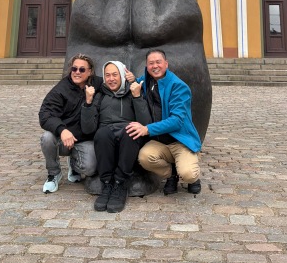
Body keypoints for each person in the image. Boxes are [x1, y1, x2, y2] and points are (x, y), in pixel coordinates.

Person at [126, 49, 202, 195]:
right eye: (151, 63)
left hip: (180, 141)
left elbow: (176, 121)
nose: (155, 66)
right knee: (144, 157)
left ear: (166, 64)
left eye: (158, 62)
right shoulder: (146, 81)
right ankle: (171, 175)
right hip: (161, 142)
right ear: (147, 66)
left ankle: (193, 176)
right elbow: (137, 84)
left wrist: (147, 129)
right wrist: (132, 80)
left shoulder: (178, 86)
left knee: (188, 174)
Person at [81, 61, 152, 213]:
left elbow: (146, 123)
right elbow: (88, 129)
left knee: (130, 131)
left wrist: (137, 97)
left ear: (122, 76)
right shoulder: (100, 96)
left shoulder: (132, 92)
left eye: (115, 75)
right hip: (107, 136)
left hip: (128, 136)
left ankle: (120, 183)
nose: (111, 79)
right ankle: (107, 183)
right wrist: (88, 103)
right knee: (102, 133)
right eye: (107, 75)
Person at [39, 53, 102, 193]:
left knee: (90, 168)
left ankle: (74, 164)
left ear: (90, 72)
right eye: (74, 69)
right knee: (47, 138)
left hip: (84, 139)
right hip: (64, 138)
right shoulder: (61, 89)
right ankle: (54, 173)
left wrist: (131, 79)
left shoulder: (97, 84)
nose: (77, 72)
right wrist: (62, 130)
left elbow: (114, 85)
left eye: (82, 69)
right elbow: (45, 114)